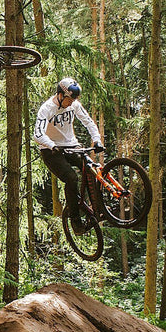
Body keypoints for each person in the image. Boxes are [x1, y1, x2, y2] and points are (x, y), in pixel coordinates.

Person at [32, 77, 104, 234]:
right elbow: (37, 134)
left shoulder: (74, 105)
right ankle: (76, 223)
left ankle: (98, 207)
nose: (71, 103)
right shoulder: (46, 109)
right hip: (50, 150)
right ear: (60, 95)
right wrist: (52, 145)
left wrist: (97, 140)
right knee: (71, 178)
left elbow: (89, 122)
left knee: (91, 168)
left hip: (71, 146)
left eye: (73, 100)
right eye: (69, 99)